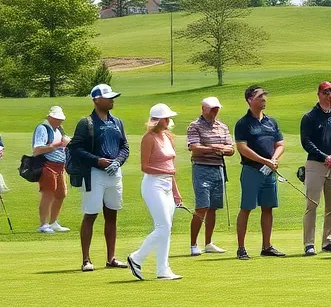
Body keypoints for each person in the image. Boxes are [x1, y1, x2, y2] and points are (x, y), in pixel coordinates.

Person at [71, 84, 130, 272]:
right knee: (91, 214)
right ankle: (86, 260)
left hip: (114, 173)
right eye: (109, 97)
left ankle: (111, 257)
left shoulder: (117, 122)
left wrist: (117, 162)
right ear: (96, 100)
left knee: (112, 214)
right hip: (94, 174)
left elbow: (125, 147)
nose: (112, 100)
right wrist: (98, 161)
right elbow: (75, 148)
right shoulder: (86, 122)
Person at [126, 104, 184, 281]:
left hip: (167, 186)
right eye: (165, 118)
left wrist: (176, 192)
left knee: (166, 229)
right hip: (153, 185)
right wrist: (167, 172)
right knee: (163, 226)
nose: (168, 121)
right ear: (157, 120)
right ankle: (136, 257)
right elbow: (145, 167)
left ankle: (162, 269)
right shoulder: (148, 138)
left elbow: (171, 167)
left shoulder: (168, 136)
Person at [233, 85, 285, 259]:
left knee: (268, 208)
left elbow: (280, 144)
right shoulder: (243, 123)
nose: (264, 98)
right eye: (260, 96)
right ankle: (241, 248)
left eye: (265, 95)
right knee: (246, 208)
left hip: (268, 172)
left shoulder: (271, 122)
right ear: (250, 100)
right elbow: (242, 147)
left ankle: (267, 246)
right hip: (251, 171)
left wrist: (274, 159)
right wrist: (264, 161)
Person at [300, 81, 331, 256]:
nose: (329, 96)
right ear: (319, 94)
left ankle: (328, 241)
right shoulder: (310, 117)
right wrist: (324, 156)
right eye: (325, 92)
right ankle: (309, 243)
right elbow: (306, 142)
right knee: (312, 204)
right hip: (315, 164)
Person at [186, 97, 233, 255]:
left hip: (218, 168)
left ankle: (208, 243)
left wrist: (223, 150)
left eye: (217, 108)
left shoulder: (222, 127)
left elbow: (231, 149)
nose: (215, 111)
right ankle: (193, 245)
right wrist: (215, 148)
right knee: (202, 207)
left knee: (213, 207)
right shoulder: (195, 125)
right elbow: (194, 147)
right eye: (212, 108)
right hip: (201, 168)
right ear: (203, 108)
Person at [32, 105, 70, 233]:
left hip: (60, 166)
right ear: (50, 117)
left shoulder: (59, 129)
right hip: (47, 165)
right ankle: (43, 224)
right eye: (57, 118)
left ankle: (53, 222)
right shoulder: (42, 128)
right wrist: (58, 145)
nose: (60, 121)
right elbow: (37, 149)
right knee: (47, 194)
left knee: (61, 194)